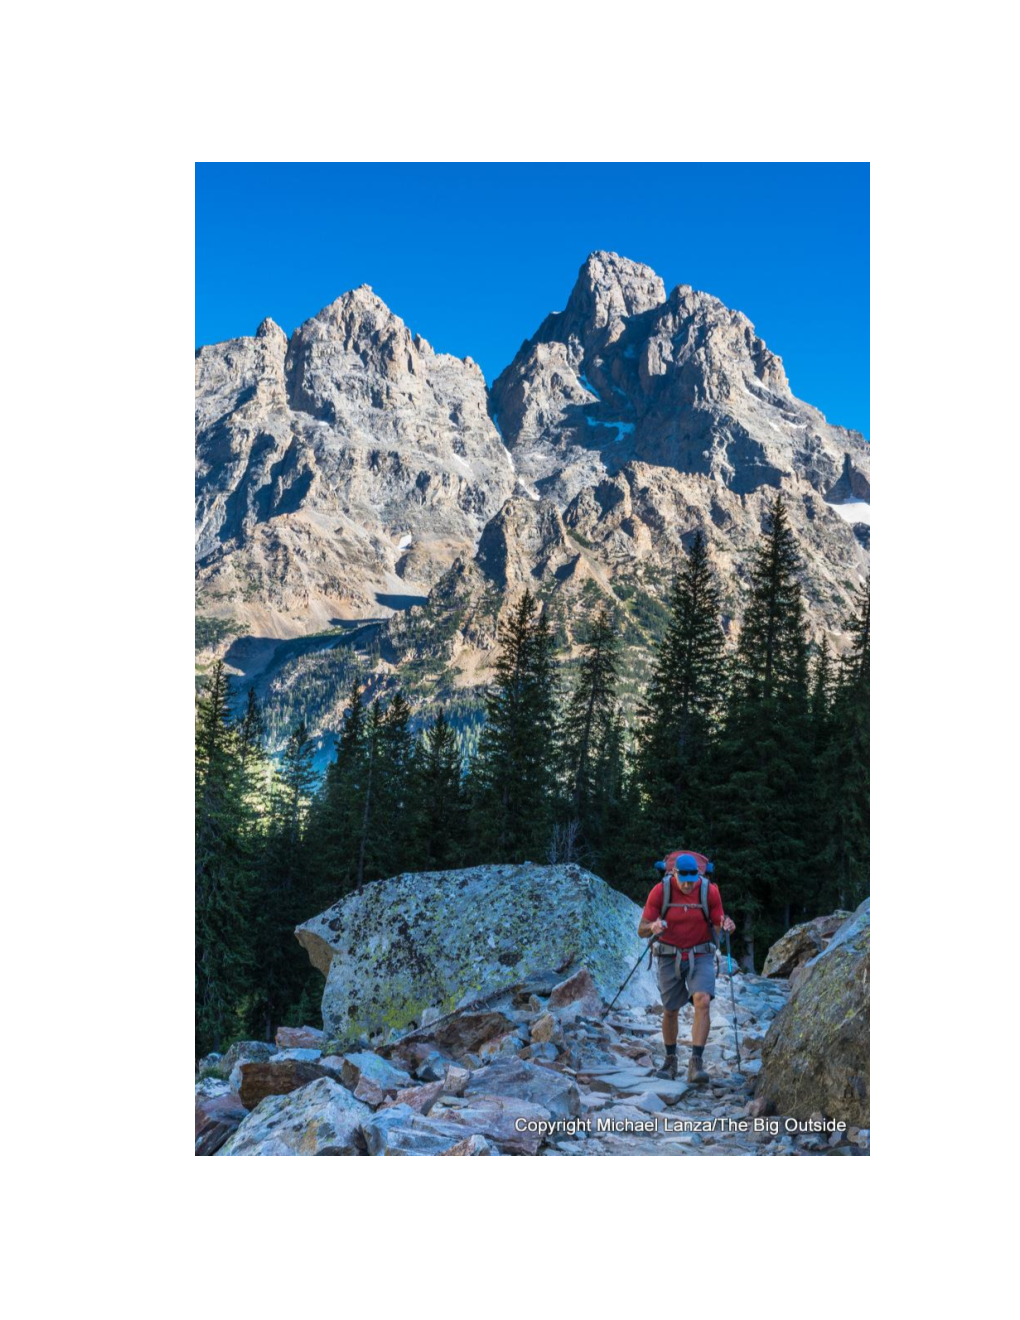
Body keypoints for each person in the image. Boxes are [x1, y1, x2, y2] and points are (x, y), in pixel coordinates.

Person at [637, 852, 736, 1082]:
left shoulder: (709, 890)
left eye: (693, 880)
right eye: (685, 880)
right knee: (671, 1009)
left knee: (703, 1000)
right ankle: (671, 1060)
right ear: (675, 874)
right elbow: (641, 929)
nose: (689, 885)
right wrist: (653, 926)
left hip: (700, 952)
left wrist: (727, 924)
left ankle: (696, 1064)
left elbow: (719, 923)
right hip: (668, 954)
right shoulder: (661, 891)